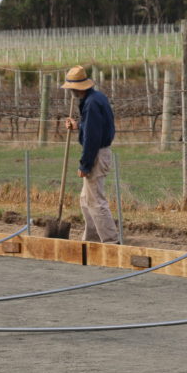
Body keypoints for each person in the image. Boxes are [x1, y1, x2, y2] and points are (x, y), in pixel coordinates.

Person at [61, 65, 118, 243]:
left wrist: (84, 165)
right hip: (100, 152)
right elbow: (94, 128)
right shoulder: (96, 98)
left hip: (96, 155)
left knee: (95, 201)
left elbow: (92, 139)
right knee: (86, 199)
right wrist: (79, 126)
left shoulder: (92, 104)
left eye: (71, 88)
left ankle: (111, 242)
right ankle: (92, 238)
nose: (70, 91)